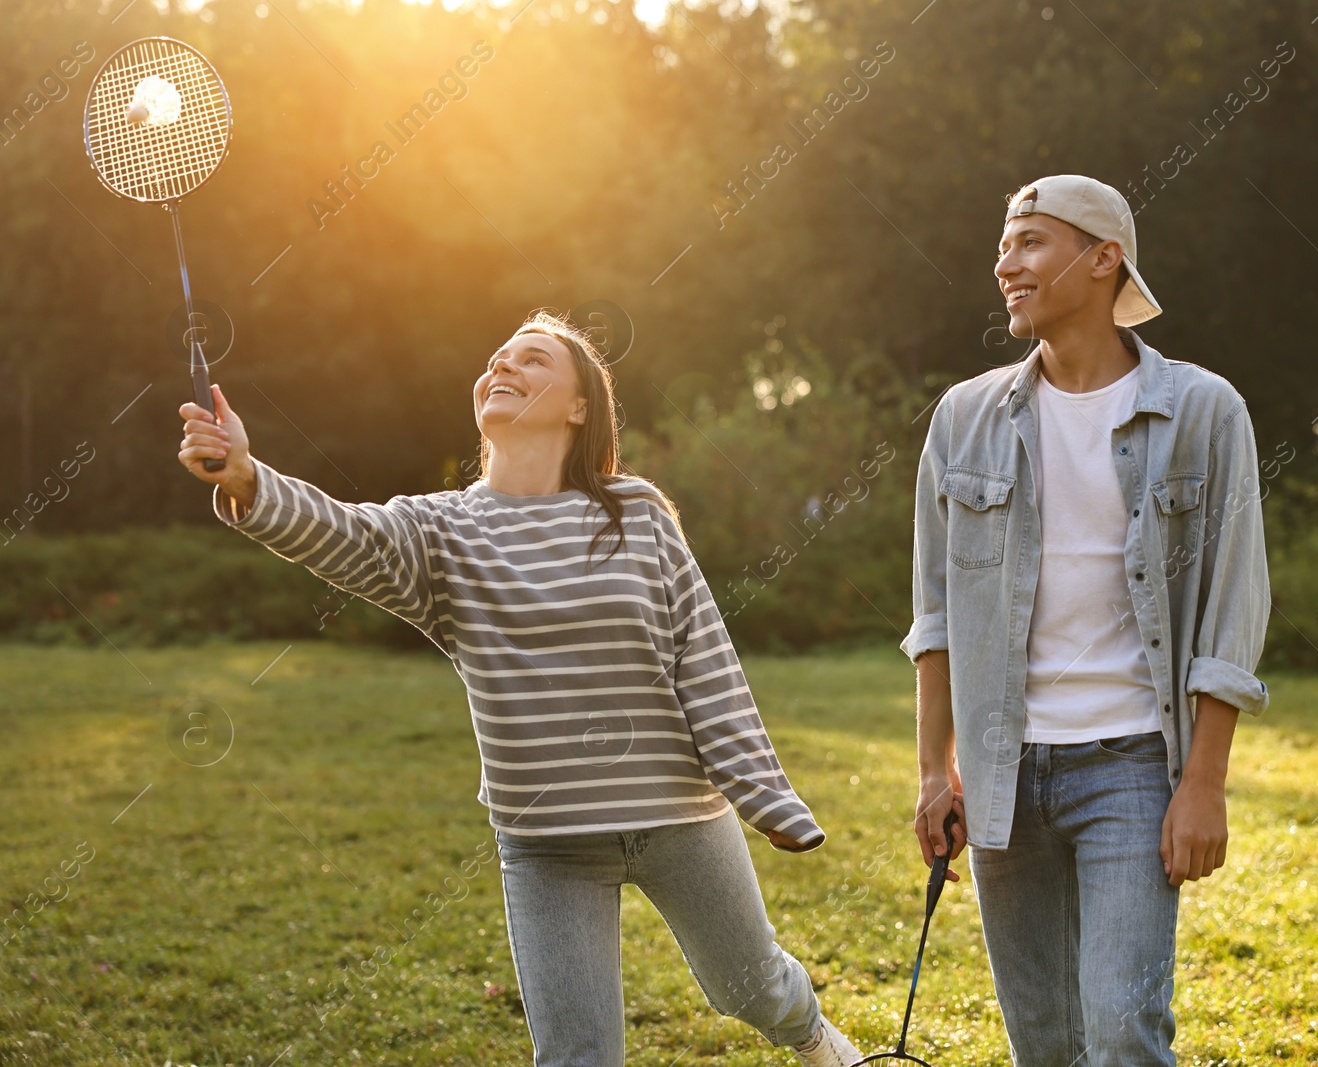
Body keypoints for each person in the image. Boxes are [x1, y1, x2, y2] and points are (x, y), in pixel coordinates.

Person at [176, 310, 864, 1066]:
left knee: (752, 988)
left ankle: (816, 1039)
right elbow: (344, 536)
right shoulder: (442, 532)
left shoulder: (635, 515)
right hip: (546, 845)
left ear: (580, 404)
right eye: (496, 358)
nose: (502, 366)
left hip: (679, 819)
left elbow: (704, 658)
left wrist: (766, 796)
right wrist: (246, 475)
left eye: (531, 359)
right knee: (576, 1054)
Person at [900, 175, 1271, 1066]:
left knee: (1122, 1030)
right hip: (1001, 775)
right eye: (1003, 244)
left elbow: (1234, 601)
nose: (1006, 263)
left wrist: (1205, 782)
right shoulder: (965, 417)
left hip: (1135, 766)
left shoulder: (1203, 411)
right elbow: (935, 610)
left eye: (1030, 240)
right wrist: (932, 771)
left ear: (1105, 259)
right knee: (1046, 1044)